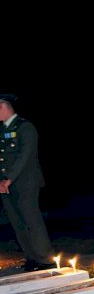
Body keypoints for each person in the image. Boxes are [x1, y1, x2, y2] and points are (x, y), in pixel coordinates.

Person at [0, 93, 55, 272]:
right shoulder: (2, 130)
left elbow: (25, 156)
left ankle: (45, 259)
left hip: (26, 182)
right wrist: (2, 180)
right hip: (7, 184)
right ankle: (31, 257)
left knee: (31, 219)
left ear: (4, 106)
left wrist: (9, 178)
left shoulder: (25, 127)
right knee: (17, 221)